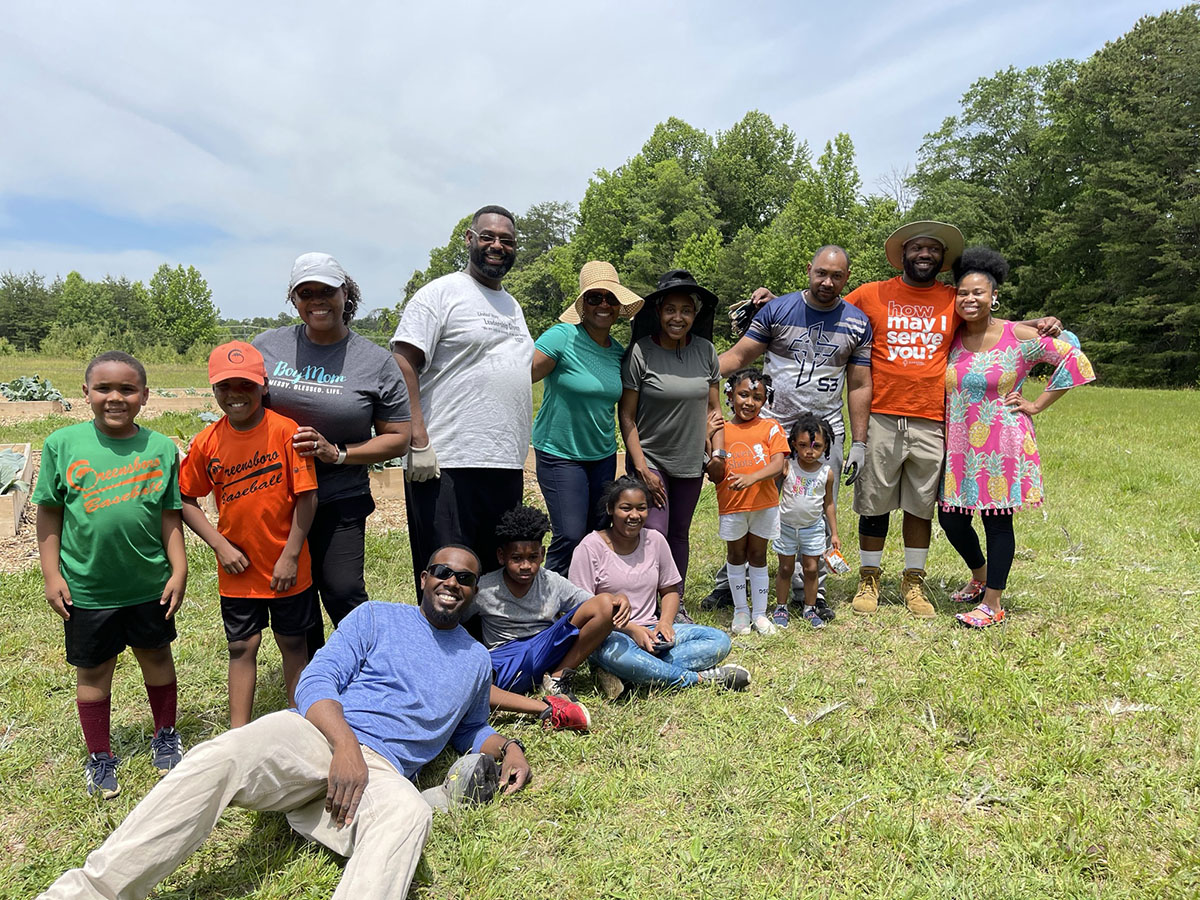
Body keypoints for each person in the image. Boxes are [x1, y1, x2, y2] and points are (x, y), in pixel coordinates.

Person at [36, 546, 532, 900]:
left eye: (465, 578)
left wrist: (507, 745)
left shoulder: (475, 659)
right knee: (220, 755)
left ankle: (383, 808)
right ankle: (91, 891)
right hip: (317, 734)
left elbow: (468, 729)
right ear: (424, 578)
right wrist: (345, 747)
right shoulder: (377, 616)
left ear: (474, 591)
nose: (452, 582)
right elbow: (316, 680)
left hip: (385, 772)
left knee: (409, 817)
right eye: (442, 571)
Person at [33, 350, 186, 799]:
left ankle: (165, 735)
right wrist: (51, 574)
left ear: (144, 395)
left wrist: (178, 569)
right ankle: (100, 755)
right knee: (95, 671)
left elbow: (169, 515)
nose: (114, 397)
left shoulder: (159, 448)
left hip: (148, 584)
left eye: (127, 389)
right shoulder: (61, 445)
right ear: (85, 393)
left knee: (156, 657)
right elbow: (48, 515)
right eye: (103, 388)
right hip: (88, 588)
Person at [254, 252, 411, 656]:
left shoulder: (375, 362)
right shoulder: (268, 346)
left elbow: (398, 438)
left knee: (342, 590)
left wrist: (336, 453)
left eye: (326, 290)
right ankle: (311, 681)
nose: (317, 300)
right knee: (294, 596)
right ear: (294, 299)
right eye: (305, 292)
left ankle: (372, 667)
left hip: (339, 496)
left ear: (346, 293)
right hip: (277, 498)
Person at [705, 245, 871, 614]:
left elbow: (859, 385)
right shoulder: (777, 310)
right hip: (773, 427)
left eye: (837, 276)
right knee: (752, 507)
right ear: (809, 270)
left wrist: (859, 442)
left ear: (847, 278)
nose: (827, 281)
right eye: (821, 273)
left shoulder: (858, 322)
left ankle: (810, 590)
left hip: (823, 433)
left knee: (814, 509)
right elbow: (740, 355)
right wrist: (696, 369)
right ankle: (732, 580)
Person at [939, 248, 1095, 627]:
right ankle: (980, 575)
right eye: (963, 293)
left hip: (1002, 443)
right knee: (951, 519)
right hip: (958, 445)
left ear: (994, 296)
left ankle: (993, 603)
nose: (970, 299)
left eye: (979, 293)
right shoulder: (953, 337)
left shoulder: (1017, 335)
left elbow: (1075, 359)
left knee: (996, 522)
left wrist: (1038, 404)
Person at [392, 205, 533, 589]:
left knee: (490, 570)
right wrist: (417, 439)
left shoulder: (512, 305)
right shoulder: (440, 294)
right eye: (487, 236)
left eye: (507, 240)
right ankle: (435, 647)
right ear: (469, 239)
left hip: (503, 461)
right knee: (447, 571)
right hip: (448, 460)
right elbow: (403, 361)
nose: (497, 246)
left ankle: (482, 648)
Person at [179, 341, 319, 726]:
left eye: (245, 384)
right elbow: (186, 498)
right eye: (225, 386)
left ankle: (300, 722)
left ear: (263, 385)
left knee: (293, 642)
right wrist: (220, 545)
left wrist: (291, 554)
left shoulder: (286, 432)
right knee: (242, 645)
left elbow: (307, 499)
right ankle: (238, 734)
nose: (235, 394)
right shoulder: (208, 441)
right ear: (213, 389)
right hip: (238, 570)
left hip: (287, 565)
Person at [569, 476, 749, 695]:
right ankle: (701, 679)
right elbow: (582, 608)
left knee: (719, 640)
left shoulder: (655, 540)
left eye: (641, 508)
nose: (634, 516)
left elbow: (670, 589)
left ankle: (636, 674)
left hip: (655, 634)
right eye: (625, 508)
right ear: (610, 509)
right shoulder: (590, 547)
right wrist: (632, 630)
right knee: (617, 656)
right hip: (609, 635)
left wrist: (665, 623)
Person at [463, 505, 630, 729]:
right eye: (517, 558)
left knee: (605, 603)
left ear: (542, 554)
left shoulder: (552, 582)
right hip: (506, 659)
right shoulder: (484, 588)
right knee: (472, 687)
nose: (526, 566)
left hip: (547, 648)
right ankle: (523, 702)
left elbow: (594, 606)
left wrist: (619, 600)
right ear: (501, 556)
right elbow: (455, 619)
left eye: (533, 557)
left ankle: (557, 680)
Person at [619, 269, 723, 619]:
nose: (678, 318)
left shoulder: (707, 352)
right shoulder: (641, 353)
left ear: (695, 315)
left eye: (686, 310)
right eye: (670, 310)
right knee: (655, 532)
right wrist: (642, 469)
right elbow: (628, 417)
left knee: (679, 533)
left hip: (691, 462)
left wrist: (717, 454)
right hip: (652, 460)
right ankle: (645, 605)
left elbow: (714, 411)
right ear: (659, 311)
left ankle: (674, 604)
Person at [532, 261, 643, 574]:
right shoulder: (560, 338)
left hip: (602, 454)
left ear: (619, 305)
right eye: (595, 298)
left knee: (597, 532)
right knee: (568, 534)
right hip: (559, 452)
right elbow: (520, 377)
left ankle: (586, 603)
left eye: (610, 298)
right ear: (582, 305)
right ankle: (546, 603)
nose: (603, 305)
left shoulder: (618, 352)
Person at [709, 367, 788, 635]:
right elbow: (710, 463)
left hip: (763, 505)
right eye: (743, 395)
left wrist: (753, 477)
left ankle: (760, 613)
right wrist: (706, 434)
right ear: (730, 395)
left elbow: (778, 464)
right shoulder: (721, 430)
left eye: (757, 397)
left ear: (765, 401)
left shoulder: (771, 427)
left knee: (758, 555)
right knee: (736, 555)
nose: (750, 402)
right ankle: (741, 611)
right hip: (733, 505)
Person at [776, 414, 841, 630]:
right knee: (785, 568)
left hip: (813, 528)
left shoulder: (826, 473)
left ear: (825, 447)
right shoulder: (787, 467)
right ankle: (781, 607)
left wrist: (834, 533)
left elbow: (829, 504)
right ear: (794, 444)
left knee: (811, 568)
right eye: (803, 445)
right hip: (785, 527)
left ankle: (810, 607)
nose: (809, 452)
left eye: (816, 446)